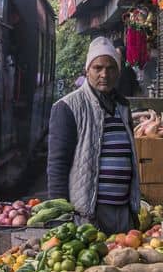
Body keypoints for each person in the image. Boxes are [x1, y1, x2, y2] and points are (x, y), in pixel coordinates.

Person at [46, 37, 140, 234]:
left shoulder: (122, 107)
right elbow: (57, 165)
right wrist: (60, 219)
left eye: (111, 68)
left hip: (123, 215)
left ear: (118, 72)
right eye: (98, 68)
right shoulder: (68, 107)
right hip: (87, 217)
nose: (104, 74)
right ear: (87, 70)